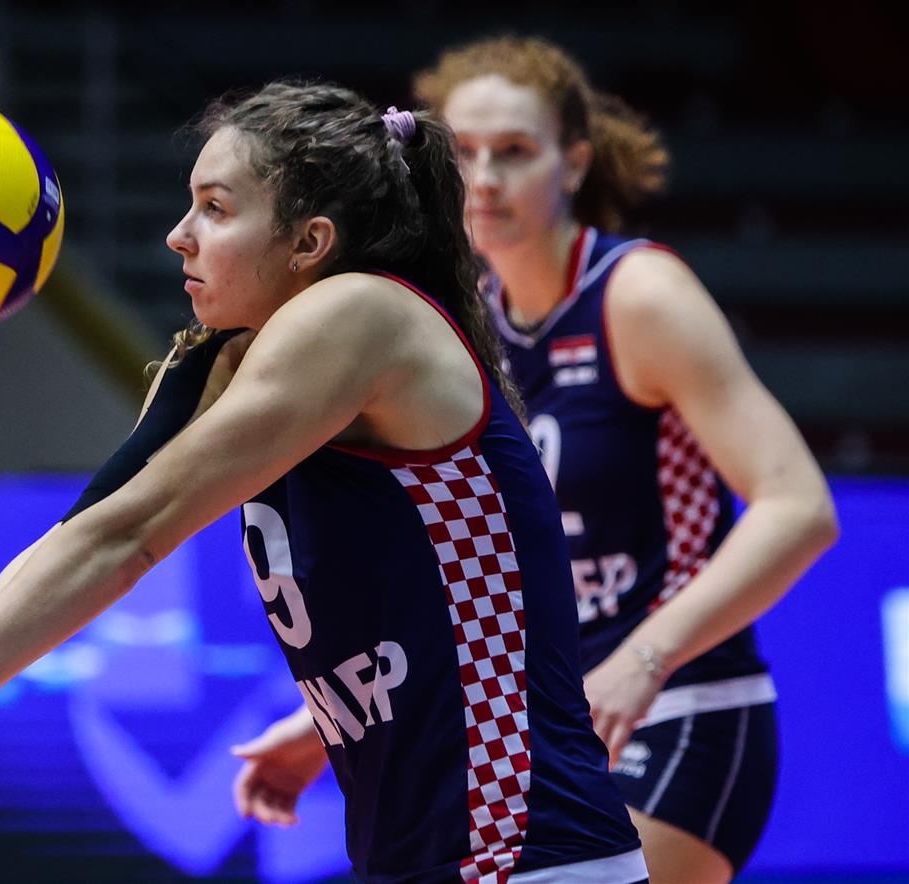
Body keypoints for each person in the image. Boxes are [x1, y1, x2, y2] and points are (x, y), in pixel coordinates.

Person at [0, 81, 651, 882]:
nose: (179, 235)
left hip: (526, 852)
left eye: (215, 208)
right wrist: (323, 729)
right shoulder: (233, 359)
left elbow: (128, 538)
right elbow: (86, 533)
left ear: (309, 242)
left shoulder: (362, 315)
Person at [233, 38, 839, 884]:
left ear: (574, 163)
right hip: (544, 716)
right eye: (467, 153)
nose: (485, 179)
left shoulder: (639, 295)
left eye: (515, 152)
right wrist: (330, 722)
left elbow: (798, 507)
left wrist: (642, 661)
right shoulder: (453, 322)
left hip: (679, 706)